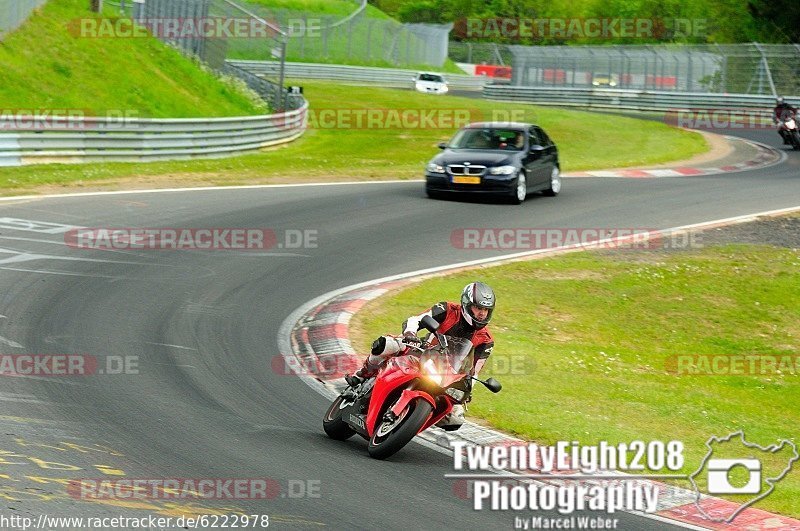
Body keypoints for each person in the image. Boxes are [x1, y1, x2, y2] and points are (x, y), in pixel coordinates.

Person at [345, 282, 496, 429]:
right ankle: (362, 374)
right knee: (387, 344)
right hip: (421, 350)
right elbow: (415, 320)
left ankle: (412, 421)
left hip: (446, 373)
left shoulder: (486, 339)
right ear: (466, 304)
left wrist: (467, 389)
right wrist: (410, 333)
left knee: (455, 419)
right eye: (478, 308)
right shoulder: (447, 309)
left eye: (486, 310)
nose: (482, 313)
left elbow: (474, 371)